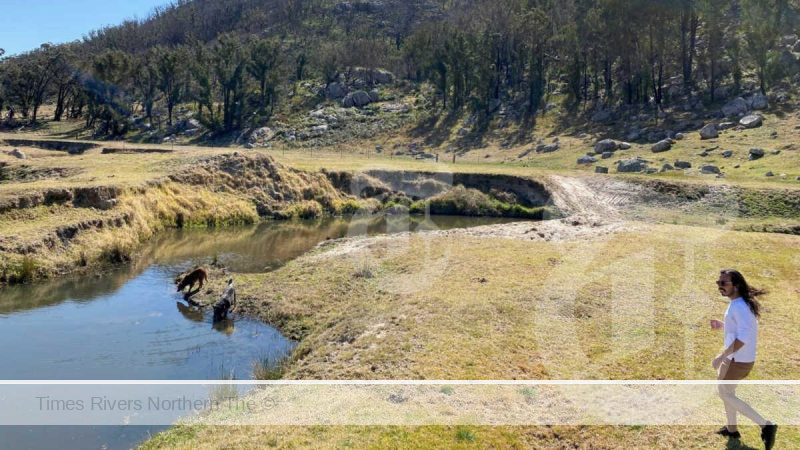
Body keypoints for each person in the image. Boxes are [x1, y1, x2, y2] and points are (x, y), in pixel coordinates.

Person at [710, 269, 777, 449]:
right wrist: (723, 325)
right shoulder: (739, 304)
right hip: (736, 358)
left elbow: (743, 338)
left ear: (736, 285)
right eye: (718, 283)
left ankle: (766, 425)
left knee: (724, 393)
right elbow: (741, 329)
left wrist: (721, 356)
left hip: (737, 360)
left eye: (723, 283)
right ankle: (732, 430)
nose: (720, 286)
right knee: (727, 393)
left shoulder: (739, 306)